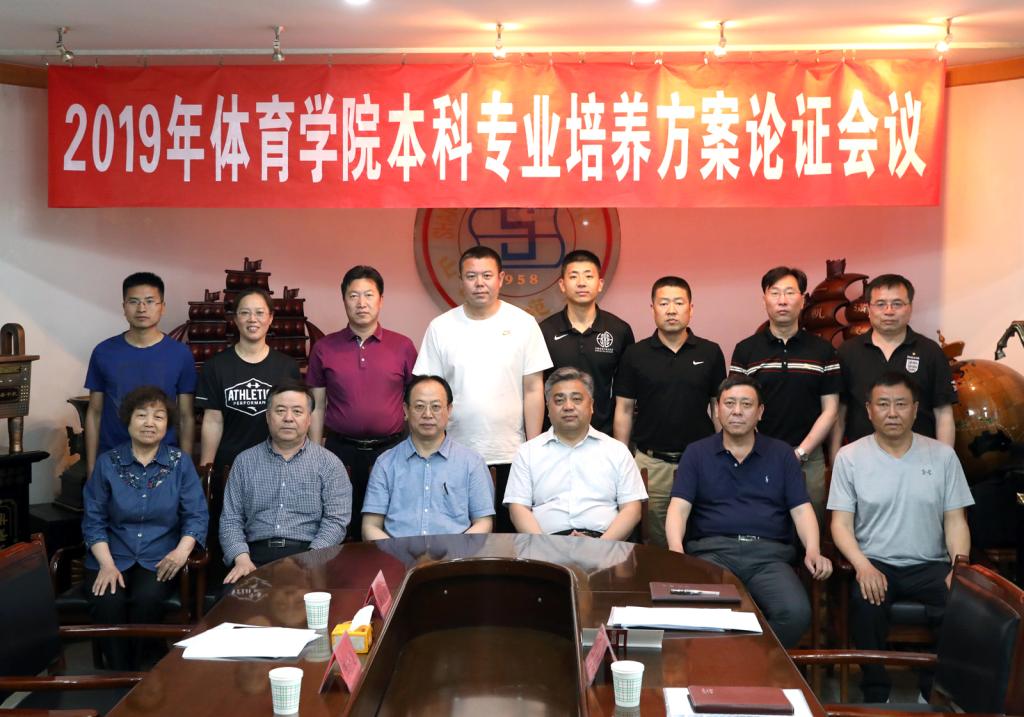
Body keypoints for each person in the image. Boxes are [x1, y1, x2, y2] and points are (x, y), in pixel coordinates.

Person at [828, 372, 973, 703]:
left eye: (901, 404)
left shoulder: (943, 456)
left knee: (961, 604)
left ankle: (933, 690)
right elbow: (840, 525)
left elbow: (955, 521)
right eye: (883, 404)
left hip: (930, 563)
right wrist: (862, 565)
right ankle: (876, 692)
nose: (892, 413)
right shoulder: (850, 458)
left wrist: (959, 568)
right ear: (869, 410)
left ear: (916, 409)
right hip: (876, 561)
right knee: (865, 603)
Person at [665, 375, 832, 648]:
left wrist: (813, 549)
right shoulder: (696, 453)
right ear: (716, 409)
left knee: (795, 613)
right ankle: (737, 663)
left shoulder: (782, 455)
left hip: (769, 558)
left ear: (760, 412)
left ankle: (751, 660)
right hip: (713, 555)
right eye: (729, 403)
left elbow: (801, 510)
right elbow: (679, 508)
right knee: (703, 613)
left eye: (746, 404)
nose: (737, 411)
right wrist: (675, 548)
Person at [414, 245, 552, 532]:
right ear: (461, 281)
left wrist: (532, 449)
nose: (479, 283)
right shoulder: (441, 327)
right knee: (459, 536)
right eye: (471, 276)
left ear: (500, 278)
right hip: (453, 452)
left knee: (509, 538)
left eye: (487, 275)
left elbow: (533, 390)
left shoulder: (523, 324)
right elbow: (429, 393)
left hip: (512, 453)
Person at [82, 385, 208, 670]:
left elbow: (196, 515)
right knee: (108, 601)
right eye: (141, 415)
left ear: (167, 424)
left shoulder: (180, 463)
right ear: (128, 420)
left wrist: (181, 552)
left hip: (160, 556)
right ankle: (118, 674)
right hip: (111, 554)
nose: (150, 423)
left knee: (147, 599)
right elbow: (94, 519)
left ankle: (142, 672)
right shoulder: (107, 463)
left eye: (158, 416)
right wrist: (106, 564)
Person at [613, 276, 726, 548]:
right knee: (657, 541)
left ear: (691, 308)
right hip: (652, 464)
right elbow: (624, 410)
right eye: (664, 303)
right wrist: (622, 459)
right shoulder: (635, 354)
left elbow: (718, 407)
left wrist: (724, 453)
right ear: (652, 308)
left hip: (700, 460)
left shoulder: (710, 352)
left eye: (678, 303)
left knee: (704, 534)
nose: (671, 310)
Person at [307, 265, 417, 541]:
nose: (361, 302)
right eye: (353, 295)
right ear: (344, 299)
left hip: (392, 451)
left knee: (391, 525)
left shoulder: (403, 346)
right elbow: (317, 406)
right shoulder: (324, 348)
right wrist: (314, 452)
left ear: (381, 300)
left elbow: (415, 401)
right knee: (342, 527)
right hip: (340, 452)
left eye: (368, 294)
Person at [730, 266, 840, 525]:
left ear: (802, 300)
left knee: (809, 529)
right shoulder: (746, 350)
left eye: (790, 293)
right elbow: (737, 408)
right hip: (755, 456)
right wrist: (759, 449)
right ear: (764, 300)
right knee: (759, 525)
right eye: (775, 293)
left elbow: (831, 410)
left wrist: (800, 453)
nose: (782, 300)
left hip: (808, 459)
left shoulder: (823, 350)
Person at [220, 382, 352, 584]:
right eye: (280, 410)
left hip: (310, 555)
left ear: (309, 419)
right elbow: (230, 520)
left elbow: (336, 521)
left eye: (297, 411)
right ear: (267, 416)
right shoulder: (244, 462)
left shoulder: (329, 464)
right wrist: (242, 559)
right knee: (236, 600)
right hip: (253, 558)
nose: (288, 418)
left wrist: (312, 559)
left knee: (311, 599)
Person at [504, 367, 647, 540]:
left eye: (577, 399)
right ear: (548, 408)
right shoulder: (527, 452)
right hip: (546, 544)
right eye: (559, 400)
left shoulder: (617, 451)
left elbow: (632, 509)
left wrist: (601, 546)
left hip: (604, 542)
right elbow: (518, 508)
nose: (568, 406)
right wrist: (545, 546)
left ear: (591, 405)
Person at [85, 272, 197, 479]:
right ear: (124, 307)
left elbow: (185, 416)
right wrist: (92, 468)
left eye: (150, 301)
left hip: (164, 463)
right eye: (134, 301)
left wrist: (186, 469)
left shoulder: (180, 354)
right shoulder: (103, 352)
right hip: (113, 461)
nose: (142, 308)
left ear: (162, 307)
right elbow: (94, 413)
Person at [831, 274, 956, 457]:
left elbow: (943, 413)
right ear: (869, 309)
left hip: (920, 458)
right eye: (880, 304)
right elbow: (839, 414)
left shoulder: (930, 351)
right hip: (863, 460)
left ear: (910, 308)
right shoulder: (847, 352)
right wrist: (836, 461)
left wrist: (944, 461)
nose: (889, 311)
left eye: (897, 304)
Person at [362, 375, 494, 540]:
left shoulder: (472, 463)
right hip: (397, 554)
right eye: (419, 406)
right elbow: (370, 526)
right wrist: (394, 553)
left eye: (436, 407)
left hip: (455, 554)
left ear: (449, 410)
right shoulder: (386, 463)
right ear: (406, 410)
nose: (428, 414)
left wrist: (457, 551)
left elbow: (483, 522)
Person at [539, 250, 635, 434]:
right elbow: (535, 391)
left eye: (588, 276)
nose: (581, 282)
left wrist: (619, 445)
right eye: (573, 276)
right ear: (562, 285)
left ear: (600, 284)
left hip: (603, 435)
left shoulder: (619, 330)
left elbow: (625, 397)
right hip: (554, 435)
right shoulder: (544, 331)